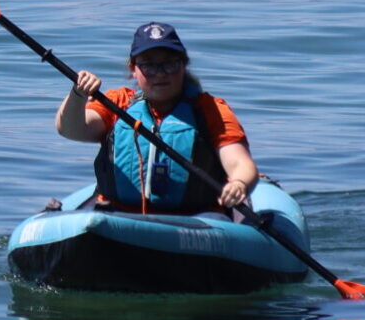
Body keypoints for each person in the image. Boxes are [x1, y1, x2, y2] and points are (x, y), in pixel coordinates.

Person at [56, 22, 258, 214]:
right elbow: (71, 130)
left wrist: (239, 184)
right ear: (133, 70)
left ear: (184, 65)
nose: (160, 74)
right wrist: (78, 94)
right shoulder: (118, 103)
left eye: (169, 64)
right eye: (149, 66)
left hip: (195, 221)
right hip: (118, 217)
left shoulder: (210, 109)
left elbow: (240, 163)